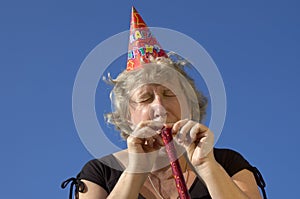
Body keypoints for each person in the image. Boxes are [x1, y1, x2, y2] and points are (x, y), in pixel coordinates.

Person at [61, 7, 267, 199]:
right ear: (127, 117)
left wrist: (206, 165)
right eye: (145, 98)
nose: (159, 106)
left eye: (169, 94)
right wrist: (137, 168)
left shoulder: (225, 162)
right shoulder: (100, 171)